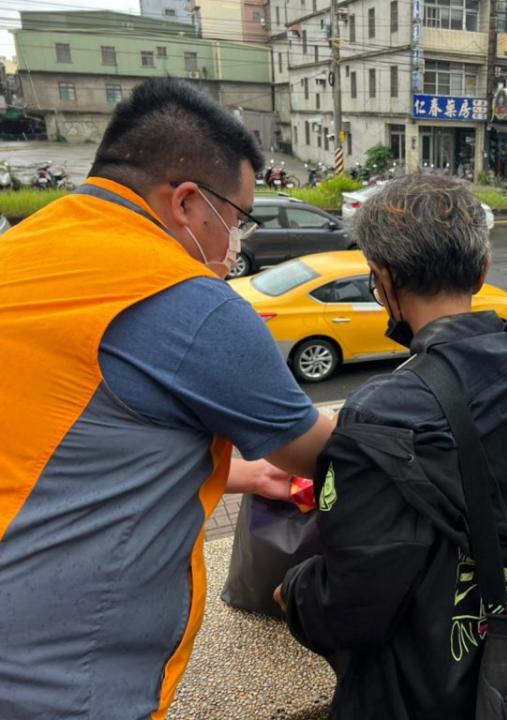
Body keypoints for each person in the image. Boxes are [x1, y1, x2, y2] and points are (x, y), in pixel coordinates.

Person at [0, 78, 332, 719]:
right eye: (236, 218)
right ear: (186, 202)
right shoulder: (185, 299)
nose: (236, 241)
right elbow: (324, 454)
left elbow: (66, 440)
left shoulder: (23, 251)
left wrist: (232, 473)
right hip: (61, 685)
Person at [275, 174, 507, 718]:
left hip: (417, 693)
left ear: (383, 279)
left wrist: (295, 590)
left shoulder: (383, 415)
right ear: (483, 268)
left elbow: (353, 607)